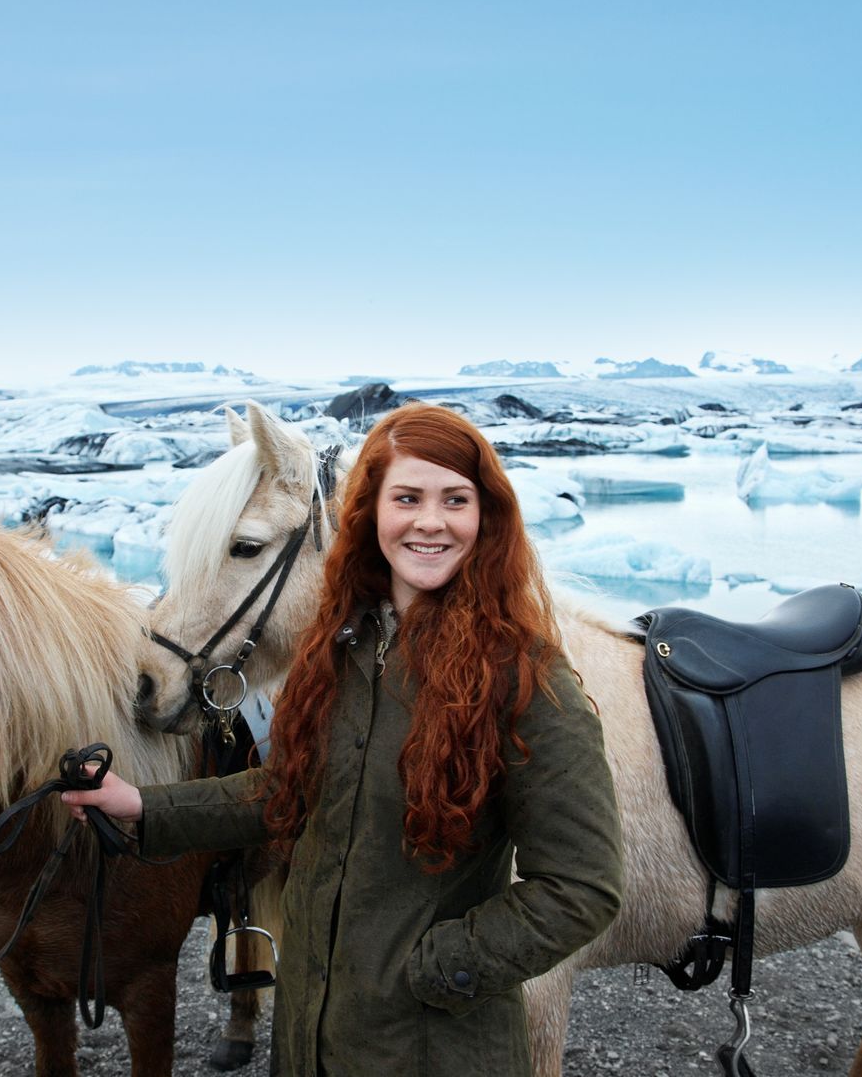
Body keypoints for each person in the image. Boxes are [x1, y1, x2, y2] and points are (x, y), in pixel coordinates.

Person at [64, 403, 624, 1075]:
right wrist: (144, 807)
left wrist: (434, 972)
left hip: (431, 1050)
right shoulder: (346, 655)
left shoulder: (525, 678)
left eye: (456, 500)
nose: (429, 520)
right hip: (308, 1042)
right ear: (370, 514)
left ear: (486, 519)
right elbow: (287, 793)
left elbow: (582, 887)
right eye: (406, 498)